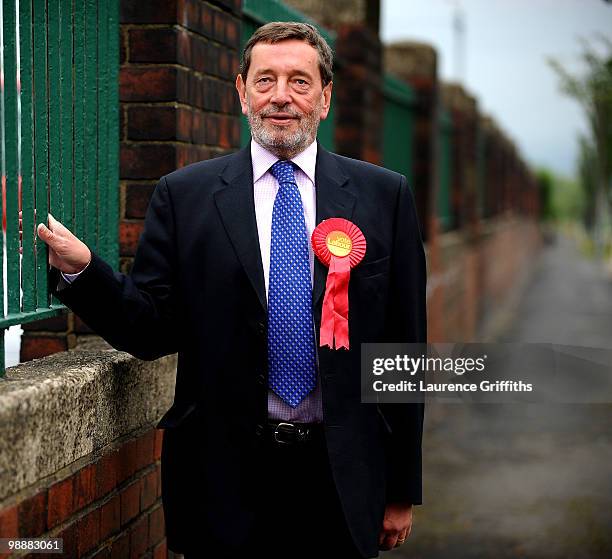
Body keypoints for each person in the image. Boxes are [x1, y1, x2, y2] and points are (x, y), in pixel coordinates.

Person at [37, 21, 426, 559]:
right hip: (223, 482)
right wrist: (85, 273)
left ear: (326, 97)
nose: (281, 97)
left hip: (343, 477)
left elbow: (405, 352)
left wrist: (402, 489)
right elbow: (151, 326)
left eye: (300, 81)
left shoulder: (385, 197)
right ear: (241, 92)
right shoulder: (185, 196)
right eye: (265, 80)